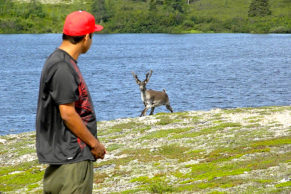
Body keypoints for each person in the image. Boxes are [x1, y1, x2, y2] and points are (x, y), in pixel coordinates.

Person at [35, 10, 106, 194]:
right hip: (71, 160)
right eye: (93, 36)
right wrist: (94, 144)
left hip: (63, 159)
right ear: (86, 37)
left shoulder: (59, 61)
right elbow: (67, 114)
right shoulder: (62, 67)